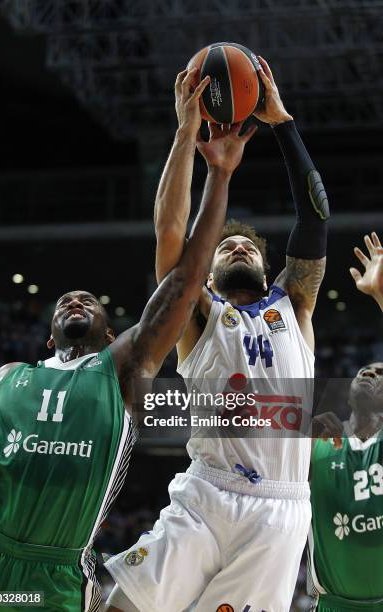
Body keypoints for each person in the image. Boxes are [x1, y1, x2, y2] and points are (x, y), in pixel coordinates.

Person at [0, 70, 240, 612]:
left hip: (51, 579)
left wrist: (216, 170)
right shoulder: (11, 380)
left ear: (111, 332)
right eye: (65, 301)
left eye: (89, 301)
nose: (76, 300)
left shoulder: (123, 369)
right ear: (48, 335)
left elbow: (186, 281)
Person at [107, 57, 329, 611]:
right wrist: (186, 135)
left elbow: (316, 217)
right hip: (207, 491)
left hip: (279, 509)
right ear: (205, 275)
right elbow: (172, 230)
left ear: (265, 262)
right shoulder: (199, 313)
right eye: (226, 246)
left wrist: (283, 124)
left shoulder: (295, 303)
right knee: (120, 605)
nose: (237, 247)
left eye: (248, 245)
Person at [309, 231, 383, 611]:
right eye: (365, 371)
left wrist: (381, 296)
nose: (370, 372)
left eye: (381, 372)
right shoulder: (317, 444)